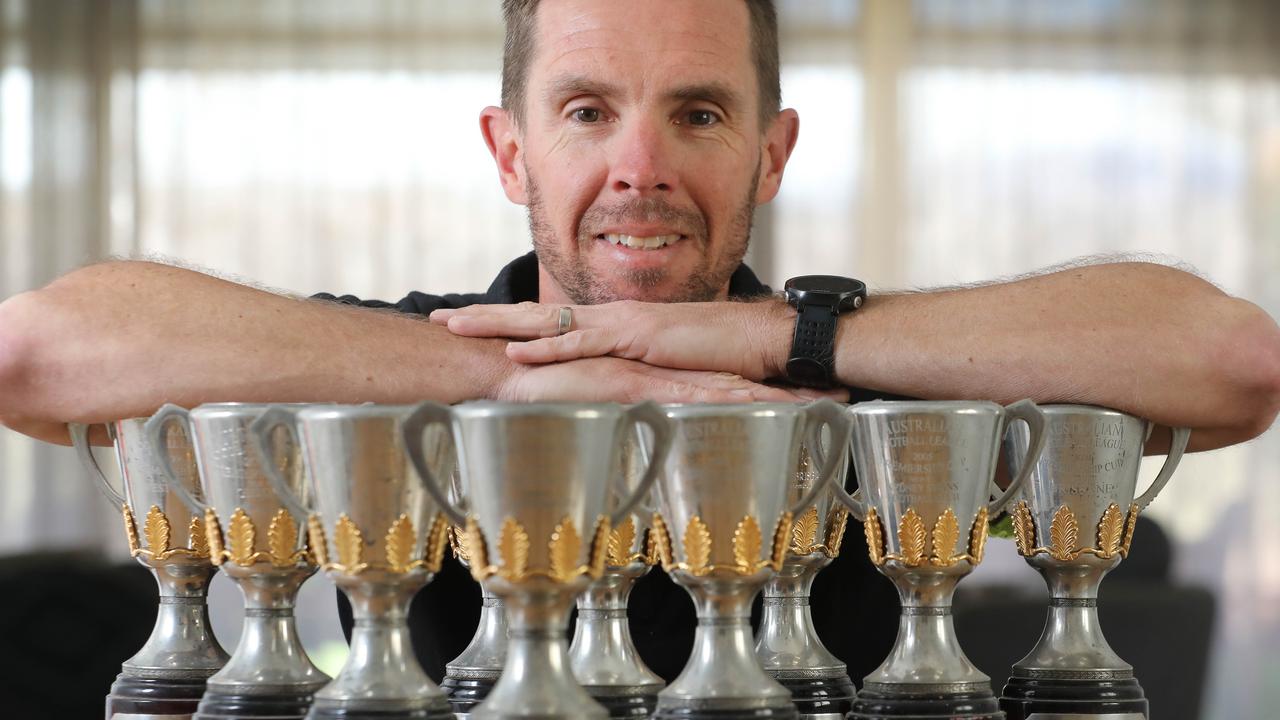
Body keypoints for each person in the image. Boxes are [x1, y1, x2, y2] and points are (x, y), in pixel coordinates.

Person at [0, 0, 1278, 685]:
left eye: (699, 112)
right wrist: (507, 367)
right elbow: (37, 355)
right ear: (512, 151)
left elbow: (1229, 363)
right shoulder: (409, 355)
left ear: (767, 153)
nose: (639, 168)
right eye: (586, 109)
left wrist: (791, 338)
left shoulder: (873, 368)